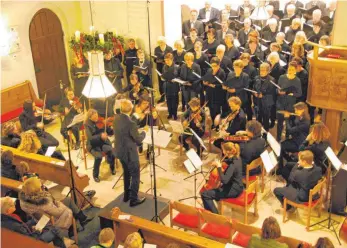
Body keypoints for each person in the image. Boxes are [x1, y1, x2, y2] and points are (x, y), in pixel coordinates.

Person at [19, 177, 93, 238]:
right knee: (67, 208)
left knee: (68, 200)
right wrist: (58, 203)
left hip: (41, 218)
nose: (42, 185)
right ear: (36, 189)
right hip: (53, 221)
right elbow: (59, 212)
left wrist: (50, 198)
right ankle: (73, 227)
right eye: (40, 185)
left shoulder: (24, 201)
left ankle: (81, 219)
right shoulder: (43, 203)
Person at [113, 100, 146, 207]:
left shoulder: (116, 118)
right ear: (131, 109)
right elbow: (138, 140)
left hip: (120, 152)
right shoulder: (131, 123)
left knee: (126, 173)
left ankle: (126, 195)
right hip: (130, 153)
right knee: (135, 175)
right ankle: (133, 199)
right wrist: (144, 133)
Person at [1, 197, 66, 248]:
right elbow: (30, 239)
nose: (15, 205)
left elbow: (21, 229)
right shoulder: (15, 225)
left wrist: (31, 226)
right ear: (8, 210)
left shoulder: (5, 219)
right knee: (55, 230)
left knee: (35, 222)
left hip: (18, 242)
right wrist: (37, 231)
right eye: (13, 205)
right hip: (31, 243)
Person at [201, 142, 243, 214]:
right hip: (238, 186)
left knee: (205, 194)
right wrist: (221, 162)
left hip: (234, 190)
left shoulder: (232, 166)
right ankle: (213, 205)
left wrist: (219, 167)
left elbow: (224, 180)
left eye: (223, 150)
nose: (222, 151)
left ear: (228, 152)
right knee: (213, 188)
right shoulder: (238, 158)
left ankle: (215, 215)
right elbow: (229, 160)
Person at [278, 102, 310, 176]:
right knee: (281, 146)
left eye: (297, 110)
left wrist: (286, 118)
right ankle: (289, 161)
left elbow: (290, 130)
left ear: (303, 110)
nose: (295, 112)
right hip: (295, 139)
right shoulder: (299, 116)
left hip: (299, 143)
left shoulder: (306, 122)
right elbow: (293, 126)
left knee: (281, 146)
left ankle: (281, 168)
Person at [84, 109, 116, 182]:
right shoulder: (87, 125)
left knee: (112, 152)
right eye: (94, 117)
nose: (96, 118)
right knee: (98, 157)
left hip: (103, 143)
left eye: (97, 116)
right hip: (93, 145)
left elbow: (109, 132)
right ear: (89, 117)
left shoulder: (101, 122)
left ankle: (112, 167)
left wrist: (113, 129)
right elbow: (90, 138)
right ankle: (95, 175)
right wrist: (100, 136)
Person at [276, 61, 302, 141]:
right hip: (281, 103)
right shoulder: (282, 77)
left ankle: (287, 137)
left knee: (289, 122)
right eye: (289, 69)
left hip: (290, 104)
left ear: (295, 70)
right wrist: (278, 91)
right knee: (279, 122)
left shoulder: (297, 80)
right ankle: (278, 137)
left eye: (292, 69)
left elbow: (299, 93)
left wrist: (291, 94)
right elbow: (277, 88)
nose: (290, 71)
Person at [202, 57, 226, 128]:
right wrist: (204, 82)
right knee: (211, 108)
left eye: (215, 66)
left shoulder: (222, 72)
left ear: (219, 65)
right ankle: (213, 123)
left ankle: (217, 125)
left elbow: (223, 84)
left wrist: (214, 85)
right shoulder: (209, 70)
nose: (213, 67)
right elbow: (205, 78)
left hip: (217, 94)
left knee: (216, 110)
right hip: (209, 93)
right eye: (212, 65)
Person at [254, 63, 276, 131]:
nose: (261, 72)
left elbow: (272, 93)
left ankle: (265, 133)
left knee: (266, 118)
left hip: (266, 103)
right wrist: (254, 92)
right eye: (261, 70)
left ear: (268, 71)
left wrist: (263, 95)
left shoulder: (272, 80)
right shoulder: (256, 78)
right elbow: (254, 87)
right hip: (258, 101)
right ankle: (258, 131)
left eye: (264, 70)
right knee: (258, 117)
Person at [267, 52, 286, 128]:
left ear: (277, 59)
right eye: (271, 59)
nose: (271, 60)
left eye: (273, 59)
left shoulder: (278, 68)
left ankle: (272, 121)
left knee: (273, 106)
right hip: (271, 89)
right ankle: (271, 119)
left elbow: (277, 80)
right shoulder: (272, 66)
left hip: (274, 90)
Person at [154, 36, 173, 103]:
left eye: (162, 42)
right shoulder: (156, 49)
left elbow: (171, 58)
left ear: (165, 42)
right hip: (159, 67)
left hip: (167, 67)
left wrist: (164, 61)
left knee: (168, 82)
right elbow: (155, 59)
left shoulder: (169, 48)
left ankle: (168, 97)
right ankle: (162, 97)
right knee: (160, 82)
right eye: (159, 42)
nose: (160, 43)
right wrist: (156, 60)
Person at [162, 53, 180, 120]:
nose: (166, 62)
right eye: (165, 60)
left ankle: (175, 114)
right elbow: (163, 75)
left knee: (175, 102)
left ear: (172, 59)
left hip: (174, 86)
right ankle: (170, 113)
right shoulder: (164, 67)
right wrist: (162, 78)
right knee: (168, 101)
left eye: (168, 60)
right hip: (167, 86)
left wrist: (175, 79)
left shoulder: (177, 67)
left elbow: (179, 76)